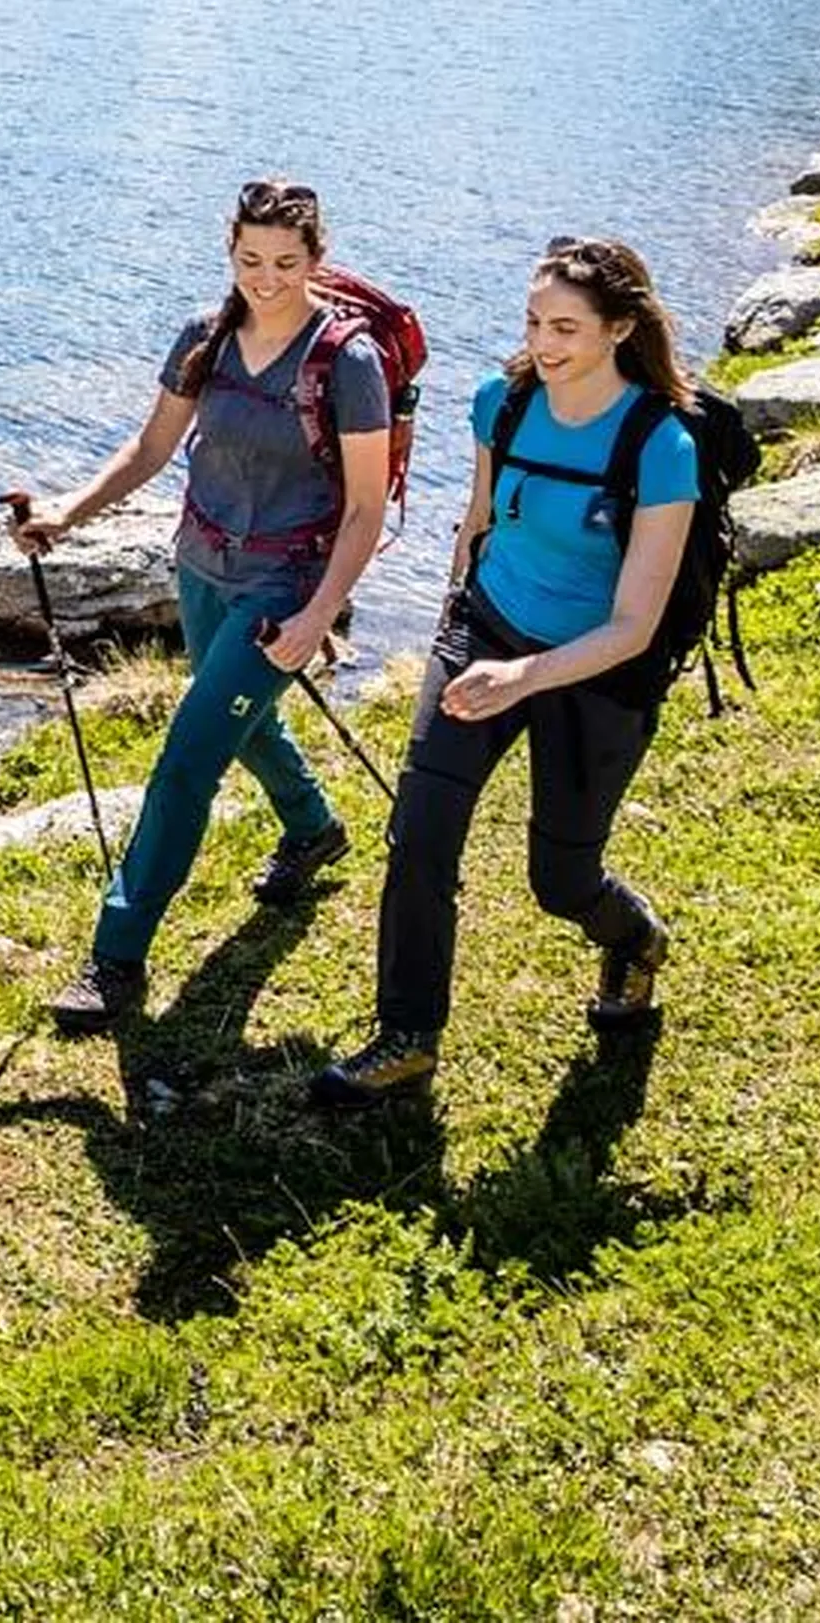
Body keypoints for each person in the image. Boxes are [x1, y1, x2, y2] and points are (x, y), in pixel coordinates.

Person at [313, 235, 693, 1108]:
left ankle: (633, 938)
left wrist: (523, 677)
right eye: (533, 321)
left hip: (592, 669)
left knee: (561, 881)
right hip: (483, 634)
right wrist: (457, 621)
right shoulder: (504, 404)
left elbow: (636, 626)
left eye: (566, 326)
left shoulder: (659, 444)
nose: (543, 343)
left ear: (620, 329)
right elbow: (478, 522)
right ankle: (407, 1036)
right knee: (418, 836)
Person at [11, 178, 390, 1035]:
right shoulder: (205, 335)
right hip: (200, 562)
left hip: (283, 585)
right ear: (231, 251)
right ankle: (313, 825)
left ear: (316, 261)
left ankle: (117, 954)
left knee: (187, 758)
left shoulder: (348, 361)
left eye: (286, 263)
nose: (266, 277)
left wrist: (321, 612)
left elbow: (364, 508)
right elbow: (152, 446)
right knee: (243, 721)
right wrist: (69, 512)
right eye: (251, 259)